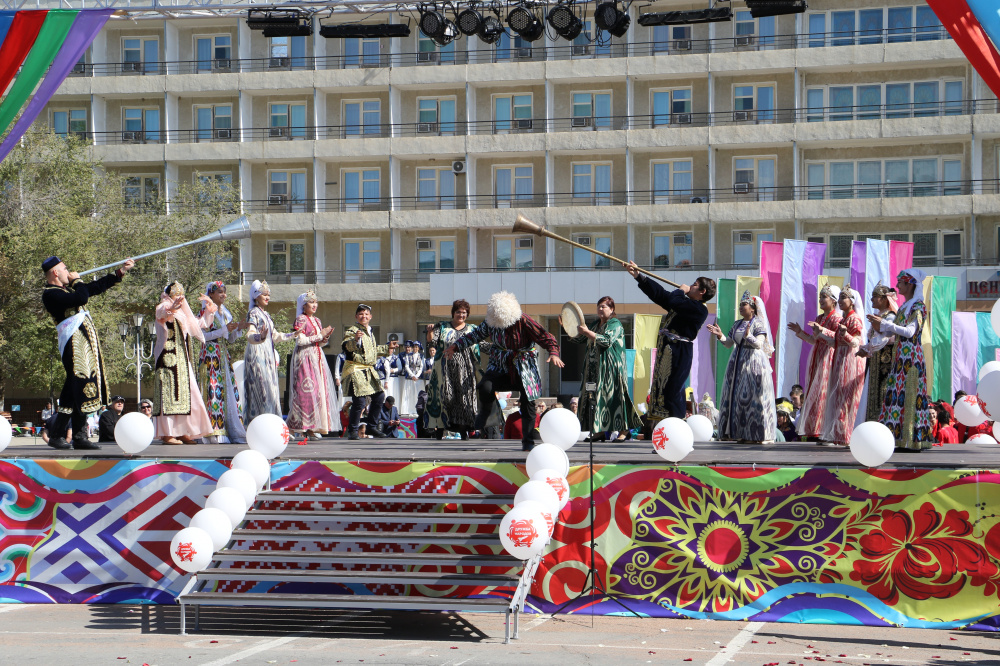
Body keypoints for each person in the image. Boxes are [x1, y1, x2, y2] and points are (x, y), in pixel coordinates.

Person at [445, 290, 563, 451]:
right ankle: (486, 412)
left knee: (528, 404)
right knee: (485, 386)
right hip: (500, 365)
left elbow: (545, 337)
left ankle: (528, 441)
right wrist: (455, 346)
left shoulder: (524, 320)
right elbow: (474, 336)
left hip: (523, 366)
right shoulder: (491, 322)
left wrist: (554, 353)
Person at [41, 255, 135, 450]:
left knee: (76, 388)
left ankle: (78, 435)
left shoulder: (67, 290)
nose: (69, 272)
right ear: (56, 273)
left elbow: (94, 288)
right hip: (73, 346)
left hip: (83, 345)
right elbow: (81, 296)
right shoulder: (50, 294)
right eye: (65, 269)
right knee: (77, 385)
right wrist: (77, 281)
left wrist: (120, 273)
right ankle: (61, 434)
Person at [624, 261, 716, 422]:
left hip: (680, 353)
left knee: (673, 390)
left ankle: (675, 425)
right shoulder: (684, 303)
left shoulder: (699, 309)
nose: (690, 286)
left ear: (702, 291)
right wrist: (639, 276)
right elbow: (661, 295)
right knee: (662, 388)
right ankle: (663, 431)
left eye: (694, 285)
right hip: (668, 350)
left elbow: (674, 300)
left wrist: (681, 290)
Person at [869, 269, 933, 451]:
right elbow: (893, 332)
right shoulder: (905, 307)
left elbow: (910, 332)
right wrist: (879, 326)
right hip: (901, 357)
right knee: (898, 396)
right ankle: (898, 438)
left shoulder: (918, 306)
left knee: (910, 395)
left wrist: (886, 324)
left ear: (910, 284)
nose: (897, 286)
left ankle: (912, 440)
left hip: (911, 358)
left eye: (901, 283)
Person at [564, 296, 641, 439]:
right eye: (599, 306)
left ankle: (624, 430)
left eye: (604, 306)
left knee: (614, 398)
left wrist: (587, 332)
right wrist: (568, 328)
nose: (600, 308)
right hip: (593, 369)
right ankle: (598, 430)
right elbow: (580, 338)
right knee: (595, 399)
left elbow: (606, 341)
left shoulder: (615, 324)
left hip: (611, 369)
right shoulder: (594, 324)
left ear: (612, 309)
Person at [707, 291, 776, 443]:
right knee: (737, 398)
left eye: (743, 304)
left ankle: (755, 434)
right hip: (737, 362)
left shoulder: (758, 323)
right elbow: (729, 343)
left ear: (752, 308)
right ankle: (740, 433)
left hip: (753, 362)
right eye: (740, 305)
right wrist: (720, 335)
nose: (740, 307)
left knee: (752, 398)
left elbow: (759, 344)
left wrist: (748, 336)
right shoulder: (737, 323)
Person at [151, 282, 214, 445]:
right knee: (169, 394)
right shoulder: (163, 306)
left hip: (182, 361)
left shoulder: (183, 313)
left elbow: (196, 325)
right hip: (167, 359)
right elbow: (162, 315)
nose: (180, 298)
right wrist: (171, 307)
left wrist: (209, 311)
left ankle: (183, 431)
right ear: (169, 295)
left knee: (189, 394)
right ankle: (167, 433)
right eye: (176, 295)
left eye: (181, 295)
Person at [787, 284, 841, 441]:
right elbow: (813, 340)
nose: (821, 300)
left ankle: (824, 430)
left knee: (824, 391)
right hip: (817, 357)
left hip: (828, 357)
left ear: (833, 300)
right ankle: (815, 429)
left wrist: (822, 331)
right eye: (820, 297)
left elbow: (837, 338)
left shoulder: (837, 318)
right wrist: (800, 332)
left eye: (824, 297)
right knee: (815, 392)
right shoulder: (820, 318)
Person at [425, 299, 483, 441]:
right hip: (445, 369)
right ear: (453, 313)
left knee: (464, 400)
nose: (461, 315)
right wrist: (430, 332)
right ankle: (440, 429)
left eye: (464, 313)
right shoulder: (443, 327)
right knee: (445, 398)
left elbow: (481, 345)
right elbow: (432, 343)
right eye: (458, 312)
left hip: (466, 370)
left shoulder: (472, 329)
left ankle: (464, 431)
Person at [198, 281, 248, 444]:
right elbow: (202, 336)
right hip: (210, 355)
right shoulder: (205, 312)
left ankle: (230, 429)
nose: (223, 295)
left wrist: (238, 328)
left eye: (224, 292)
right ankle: (214, 432)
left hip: (223, 355)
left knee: (227, 393)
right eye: (220, 292)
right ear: (211, 294)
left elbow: (230, 339)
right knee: (213, 391)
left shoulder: (225, 313)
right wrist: (225, 329)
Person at [286, 291, 339, 439]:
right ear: (304, 305)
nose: (314, 305)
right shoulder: (300, 319)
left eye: (316, 302)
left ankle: (312, 427)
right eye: (311, 302)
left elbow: (319, 343)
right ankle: (295, 426)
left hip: (316, 357)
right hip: (304, 357)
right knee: (304, 393)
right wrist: (320, 335)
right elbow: (300, 341)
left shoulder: (317, 320)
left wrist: (325, 338)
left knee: (317, 393)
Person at [818, 285, 867, 447]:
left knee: (848, 397)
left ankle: (847, 436)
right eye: (839, 298)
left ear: (851, 302)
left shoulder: (854, 319)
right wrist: (820, 334)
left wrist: (845, 332)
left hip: (850, 360)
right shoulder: (845, 319)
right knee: (839, 396)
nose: (840, 301)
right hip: (840, 358)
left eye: (843, 298)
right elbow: (835, 342)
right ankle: (839, 436)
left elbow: (855, 342)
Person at [342, 304, 399, 440]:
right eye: (361, 314)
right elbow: (345, 345)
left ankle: (372, 427)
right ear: (356, 316)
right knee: (360, 401)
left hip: (368, 369)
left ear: (370, 317)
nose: (364, 316)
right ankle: (353, 430)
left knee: (379, 396)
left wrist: (387, 348)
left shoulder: (370, 331)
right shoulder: (352, 330)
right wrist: (355, 339)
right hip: (356, 368)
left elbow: (372, 350)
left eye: (366, 314)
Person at [243, 280, 294, 423]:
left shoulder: (266, 314)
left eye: (268, 294)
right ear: (256, 296)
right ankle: (259, 423)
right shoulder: (253, 313)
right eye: (264, 294)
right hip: (257, 355)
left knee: (270, 391)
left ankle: (272, 423)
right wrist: (261, 336)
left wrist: (293, 335)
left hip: (268, 355)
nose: (267, 297)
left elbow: (276, 336)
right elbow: (249, 335)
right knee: (261, 390)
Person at [857, 282, 898, 422]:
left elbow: (888, 336)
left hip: (885, 361)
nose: (872, 299)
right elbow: (875, 339)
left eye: (875, 296)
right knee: (871, 393)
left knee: (883, 392)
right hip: (875, 361)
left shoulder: (890, 316)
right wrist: (866, 350)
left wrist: (869, 346)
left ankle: (882, 423)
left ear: (885, 299)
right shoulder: (880, 315)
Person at [400, 340, 425, 415]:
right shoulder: (408, 355)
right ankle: (408, 410)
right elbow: (406, 366)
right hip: (410, 377)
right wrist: (412, 375)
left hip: (418, 378)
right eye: (414, 347)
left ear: (418, 348)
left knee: (417, 393)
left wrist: (417, 376)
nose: (415, 348)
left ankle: (418, 409)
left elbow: (421, 367)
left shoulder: (421, 356)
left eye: (416, 347)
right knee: (409, 393)